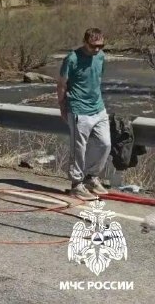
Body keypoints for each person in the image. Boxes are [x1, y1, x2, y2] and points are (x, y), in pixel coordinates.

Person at [57, 27, 111, 200]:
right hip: (79, 110)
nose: (97, 49)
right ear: (85, 42)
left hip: (98, 108)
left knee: (105, 144)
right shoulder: (72, 59)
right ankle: (76, 184)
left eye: (101, 46)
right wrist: (63, 107)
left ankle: (91, 177)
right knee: (79, 149)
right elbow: (62, 84)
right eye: (93, 46)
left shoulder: (101, 57)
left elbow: (98, 78)